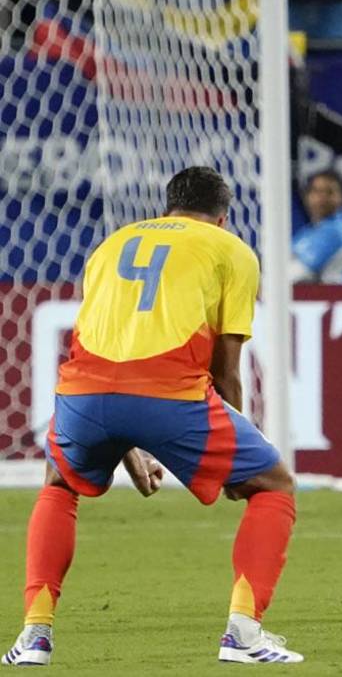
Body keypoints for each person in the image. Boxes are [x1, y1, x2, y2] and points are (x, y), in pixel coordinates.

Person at [2, 167, 301, 666]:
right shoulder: (231, 250)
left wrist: (125, 444)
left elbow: (115, 350)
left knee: (58, 485)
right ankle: (243, 634)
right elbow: (226, 370)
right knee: (274, 485)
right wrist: (238, 459)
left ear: (167, 208)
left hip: (83, 393)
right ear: (222, 218)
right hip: (171, 395)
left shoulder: (111, 246)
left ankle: (33, 636)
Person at [290, 170, 342, 285]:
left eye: (329, 192)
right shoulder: (308, 231)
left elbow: (297, 273)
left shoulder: (337, 231)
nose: (321, 198)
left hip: (331, 295)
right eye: (316, 191)